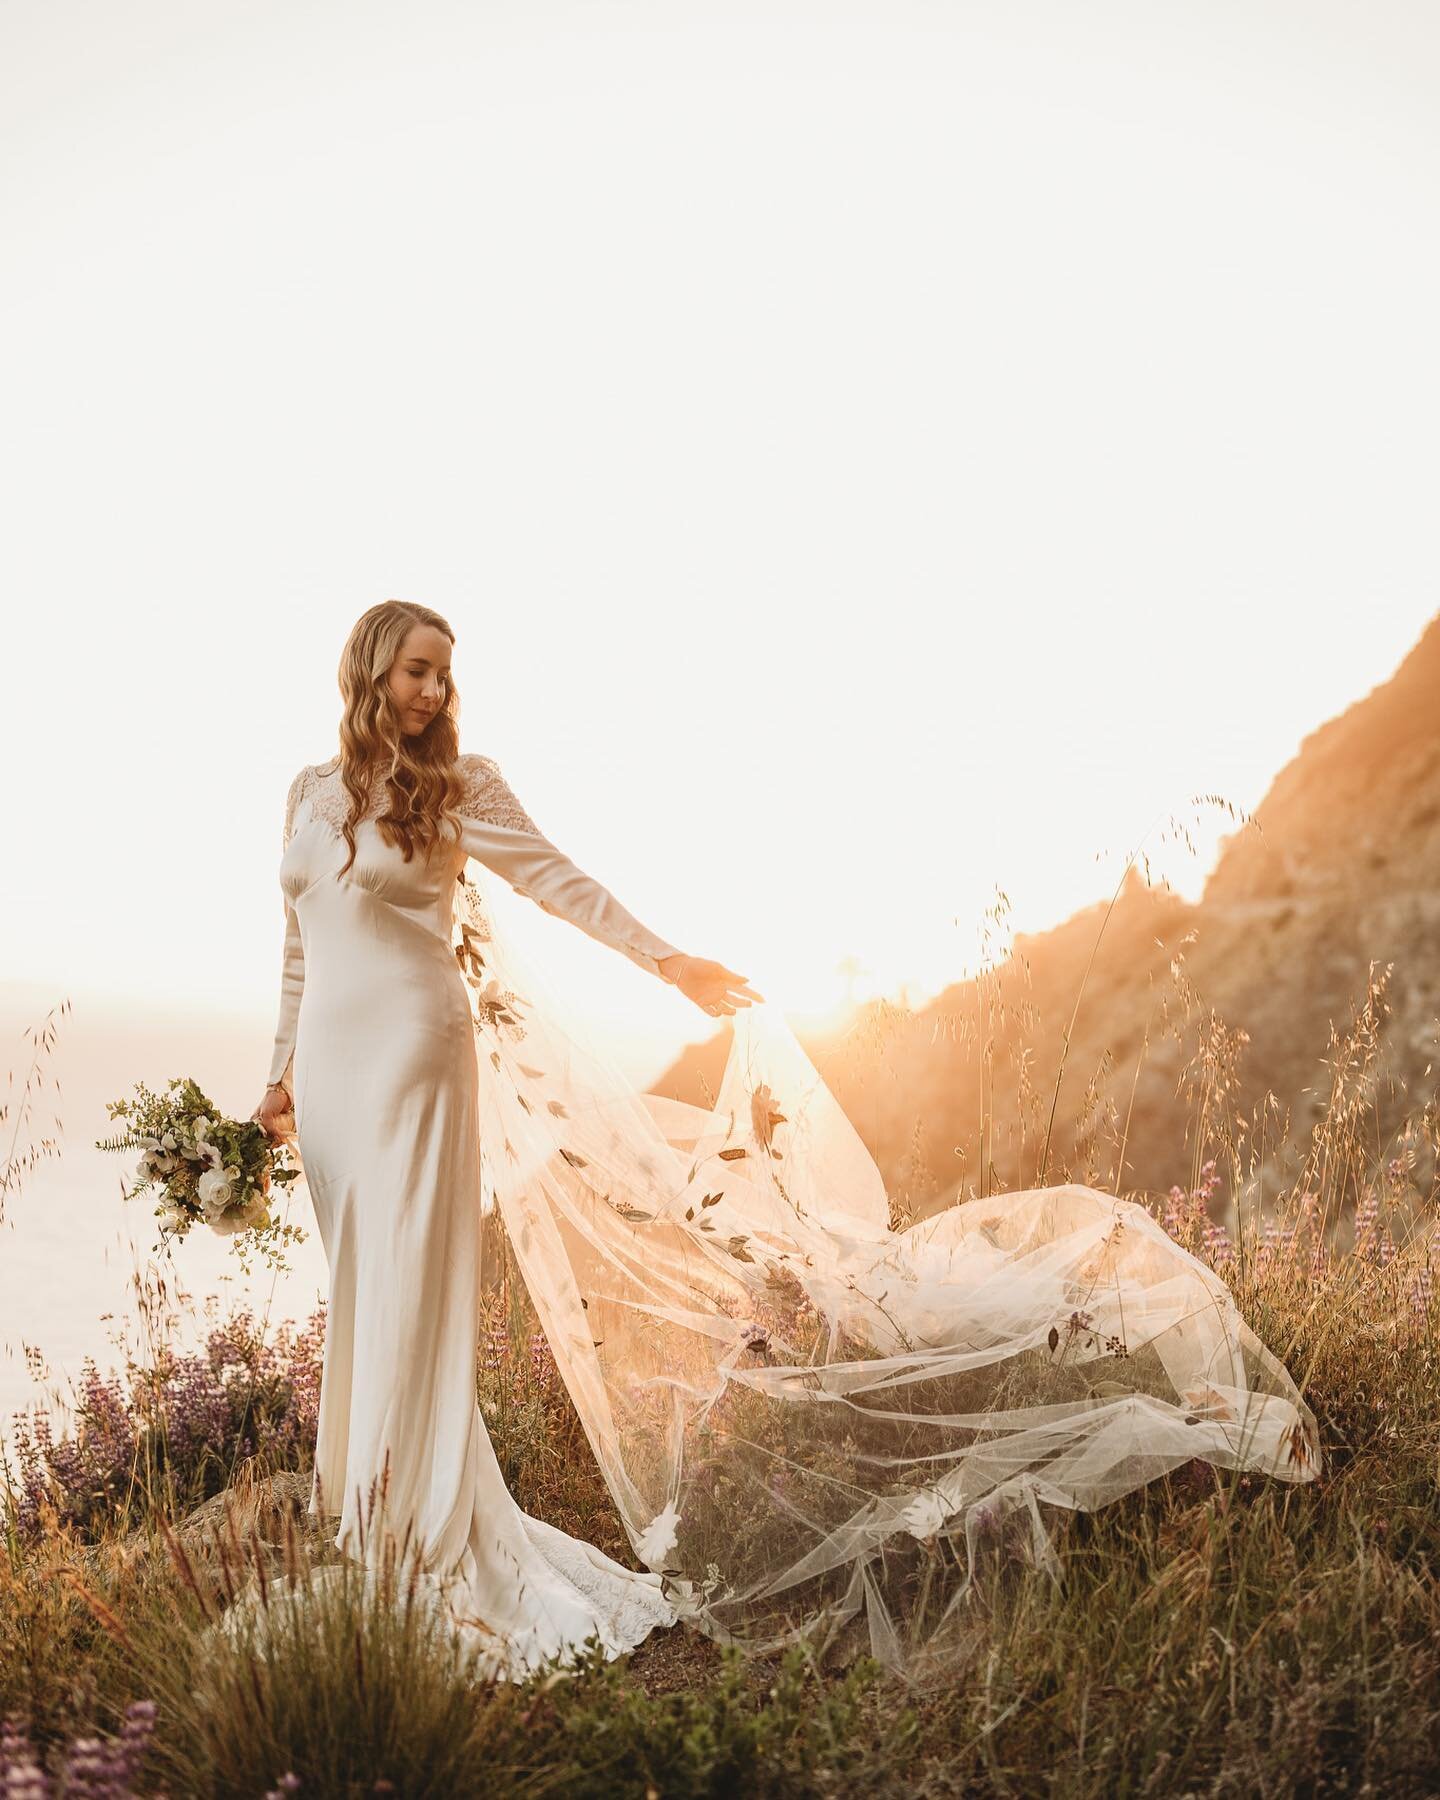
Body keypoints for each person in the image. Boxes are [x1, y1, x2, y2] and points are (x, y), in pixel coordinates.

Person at [251, 598, 1323, 1683]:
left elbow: (563, 885)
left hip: (420, 1062)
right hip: (334, 1087)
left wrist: (670, 962)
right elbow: (299, 945)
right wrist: (278, 1078)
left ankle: (418, 1539)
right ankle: (363, 1519)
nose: (434, 692)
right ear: (371, 666)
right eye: (418, 671)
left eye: (445, 674)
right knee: (359, 1288)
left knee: (407, 1290)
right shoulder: (305, 794)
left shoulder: (460, 787)